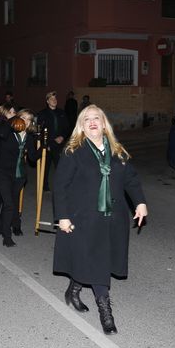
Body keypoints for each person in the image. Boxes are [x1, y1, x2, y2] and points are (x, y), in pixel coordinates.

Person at [53, 105, 148, 335]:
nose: (93, 122)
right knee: (97, 263)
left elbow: (131, 179)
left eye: (97, 118)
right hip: (83, 218)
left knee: (98, 260)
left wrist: (140, 202)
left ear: (104, 123)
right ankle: (105, 311)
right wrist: (62, 217)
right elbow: (60, 186)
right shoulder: (73, 150)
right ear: (81, 126)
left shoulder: (117, 150)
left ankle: (74, 289)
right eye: (87, 119)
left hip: (113, 217)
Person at [0, 108, 38, 246]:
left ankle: (7, 223)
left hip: (19, 175)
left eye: (28, 119)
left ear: (31, 123)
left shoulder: (29, 137)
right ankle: (7, 236)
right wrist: (11, 120)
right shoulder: (8, 132)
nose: (25, 121)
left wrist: (43, 149)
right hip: (3, 173)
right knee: (8, 204)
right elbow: (0, 134)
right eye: (22, 117)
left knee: (12, 201)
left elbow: (32, 158)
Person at [36, 91, 70, 191]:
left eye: (55, 99)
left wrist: (62, 137)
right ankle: (44, 186)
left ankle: (61, 187)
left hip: (59, 144)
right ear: (47, 101)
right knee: (45, 167)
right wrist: (48, 142)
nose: (54, 101)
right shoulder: (42, 114)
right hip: (48, 144)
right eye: (51, 99)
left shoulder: (61, 112)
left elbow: (67, 127)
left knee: (60, 166)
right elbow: (40, 131)